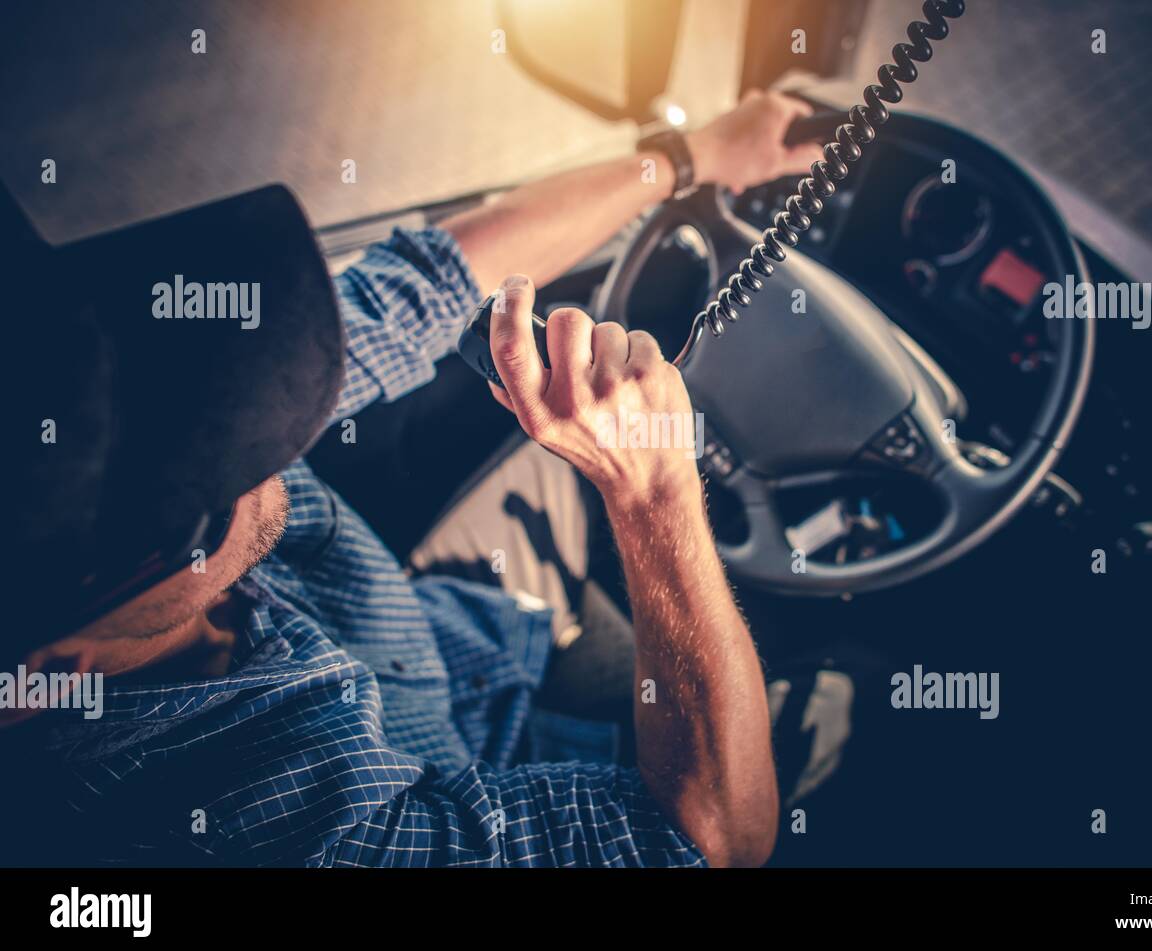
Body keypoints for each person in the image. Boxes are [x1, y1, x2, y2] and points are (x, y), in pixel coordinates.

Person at [1, 92, 830, 866]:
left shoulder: (124, 467)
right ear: (46, 673)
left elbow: (426, 285)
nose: (265, 443)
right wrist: (655, 493)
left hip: (480, 639)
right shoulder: (282, 831)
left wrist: (694, 154)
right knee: (788, 751)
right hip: (501, 783)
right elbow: (711, 837)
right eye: (206, 491)